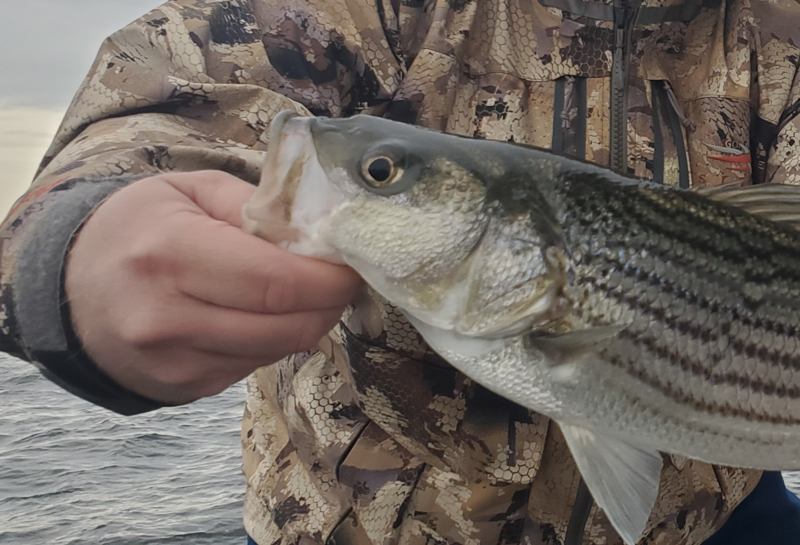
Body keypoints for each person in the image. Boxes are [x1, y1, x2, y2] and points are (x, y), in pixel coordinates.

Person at [3, 0, 800, 543]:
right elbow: (184, 81)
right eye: (385, 171)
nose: (338, 161)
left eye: (379, 172)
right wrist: (73, 239)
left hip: (715, 520)